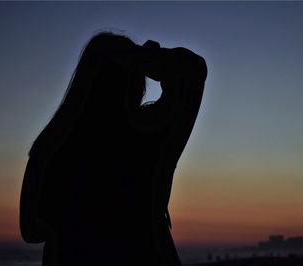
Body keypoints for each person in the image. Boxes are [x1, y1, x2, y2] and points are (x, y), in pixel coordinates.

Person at [19, 32, 207, 265]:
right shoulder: (150, 135)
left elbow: (31, 230)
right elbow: (194, 69)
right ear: (135, 81)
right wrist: (148, 57)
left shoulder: (50, 148)